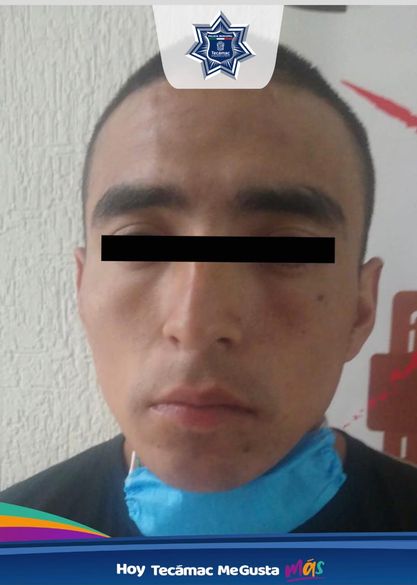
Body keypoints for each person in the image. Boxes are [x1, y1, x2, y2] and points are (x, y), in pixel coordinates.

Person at [2, 45, 417, 537]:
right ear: (82, 286)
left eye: (282, 250)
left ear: (361, 308)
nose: (195, 323)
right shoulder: (17, 543)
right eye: (141, 243)